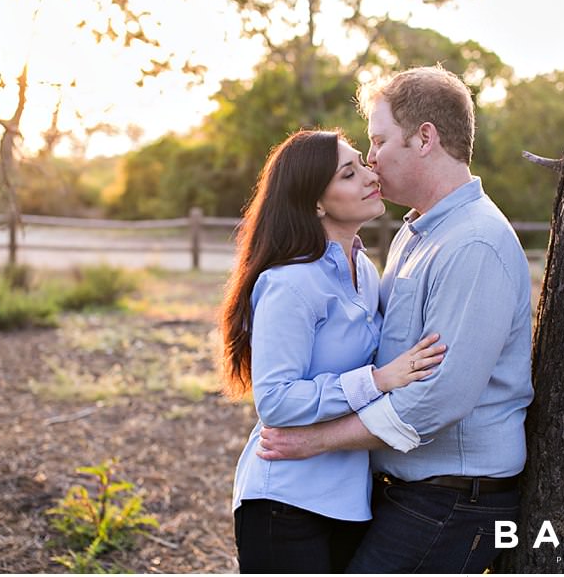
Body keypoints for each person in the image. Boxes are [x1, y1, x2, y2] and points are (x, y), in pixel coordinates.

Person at [257, 66, 535, 573]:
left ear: (424, 137)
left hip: (454, 499)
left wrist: (318, 439)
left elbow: (438, 396)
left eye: (379, 140)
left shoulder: (474, 243)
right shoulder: (413, 234)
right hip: (410, 492)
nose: (372, 158)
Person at [219, 129, 447, 574]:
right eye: (349, 173)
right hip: (284, 502)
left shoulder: (364, 269)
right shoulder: (290, 283)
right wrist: (377, 381)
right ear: (316, 203)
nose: (369, 174)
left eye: (363, 162)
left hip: (350, 500)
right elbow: (276, 401)